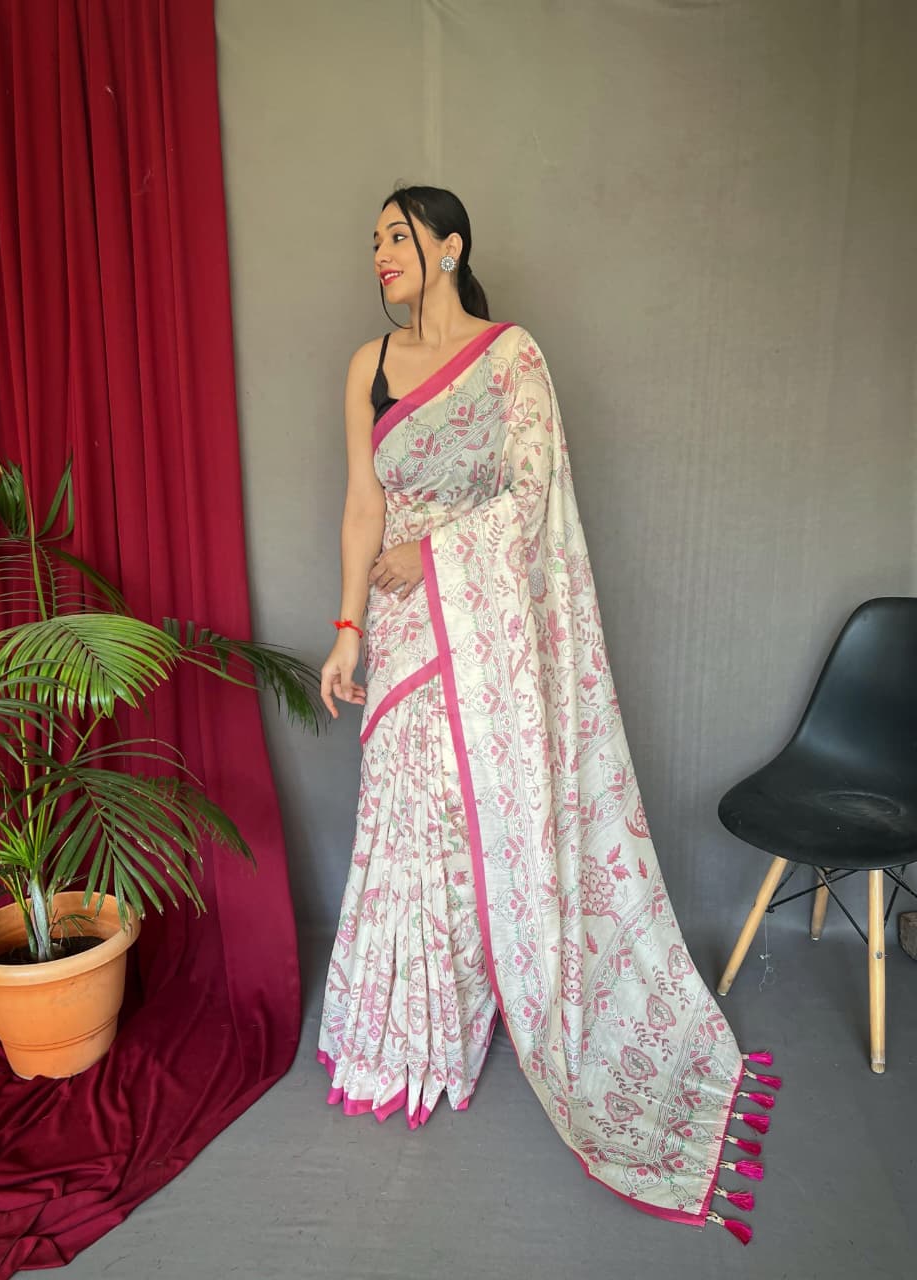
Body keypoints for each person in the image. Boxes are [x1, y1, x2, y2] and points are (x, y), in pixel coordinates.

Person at [317, 186, 773, 1242]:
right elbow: (361, 502)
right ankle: (402, 1035)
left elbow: (529, 500)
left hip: (475, 628)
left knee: (459, 820)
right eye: (373, 240)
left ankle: (461, 1017)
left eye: (397, 235)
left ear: (449, 245)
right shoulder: (367, 365)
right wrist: (346, 626)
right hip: (401, 630)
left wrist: (432, 555)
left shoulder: (510, 357)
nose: (380, 252)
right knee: (402, 818)